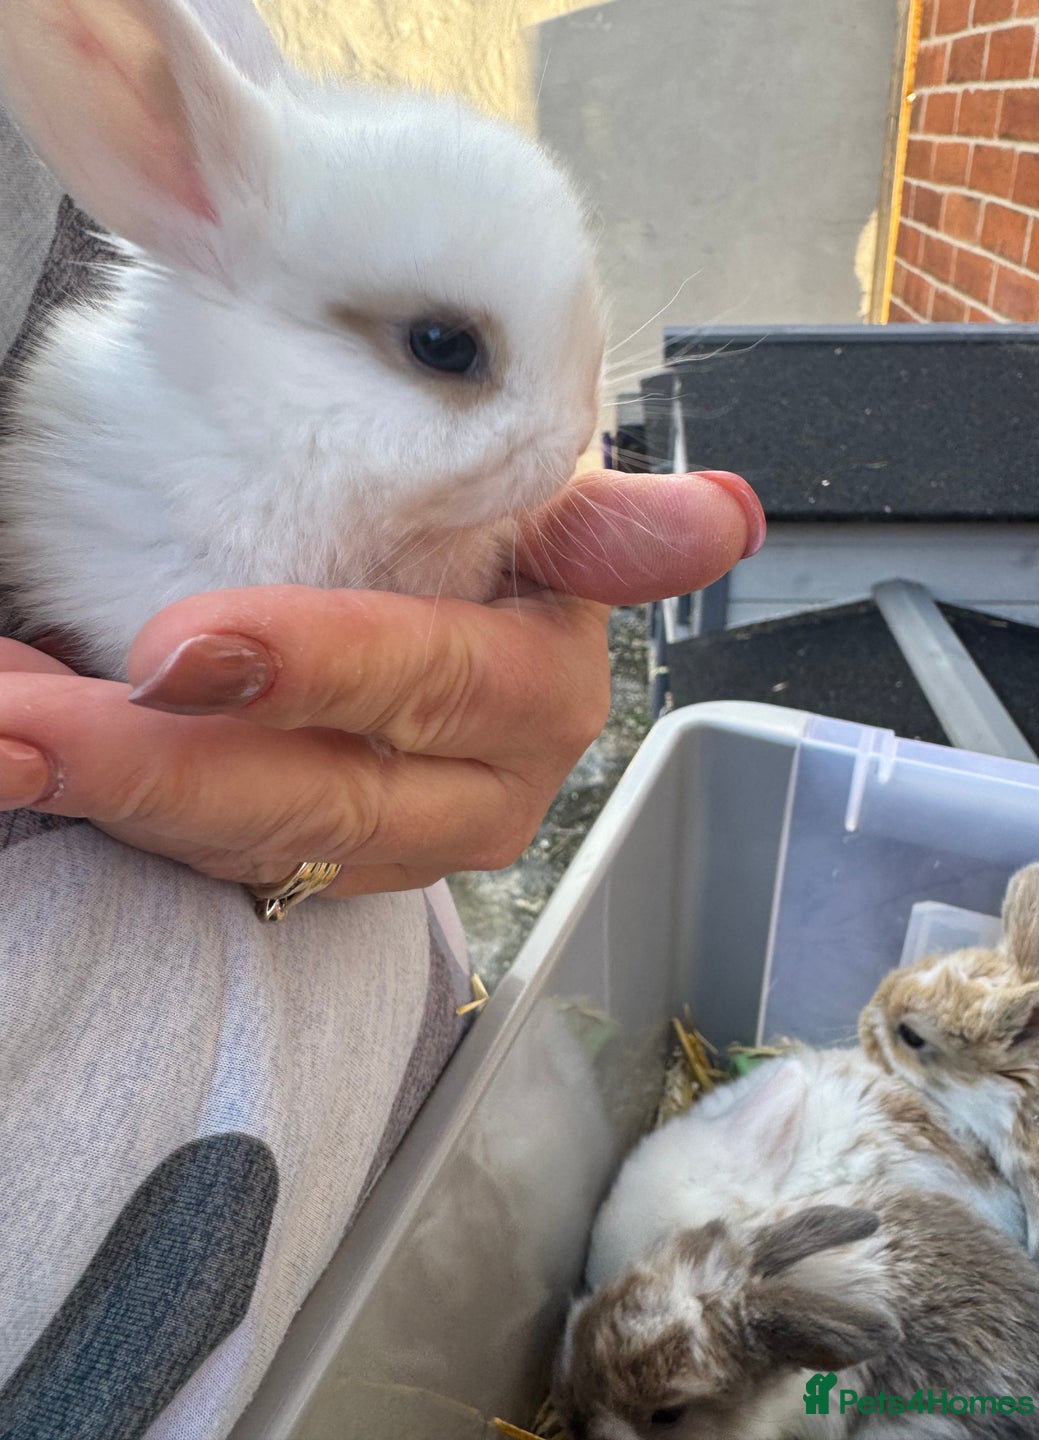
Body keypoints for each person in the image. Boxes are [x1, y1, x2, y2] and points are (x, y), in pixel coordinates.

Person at [0, 105, 764, 1438]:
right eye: (447, 352)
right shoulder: (170, 398)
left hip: (365, 1193)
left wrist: (464, 686)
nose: (565, 445)